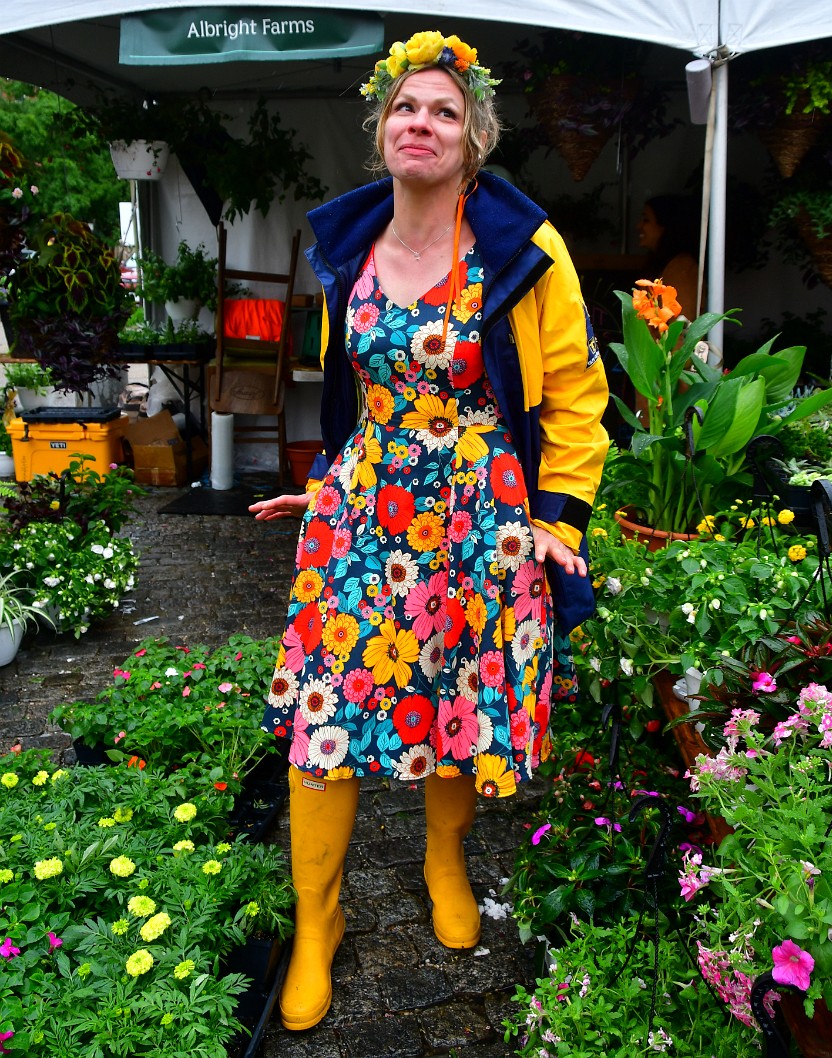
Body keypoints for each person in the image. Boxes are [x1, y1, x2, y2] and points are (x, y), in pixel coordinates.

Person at [249, 29, 609, 1032]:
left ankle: (443, 856)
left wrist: (561, 517)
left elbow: (579, 390)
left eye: (445, 111)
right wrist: (323, 485)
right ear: (381, 130)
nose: (423, 121)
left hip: (479, 514)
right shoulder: (350, 245)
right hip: (365, 515)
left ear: (474, 138)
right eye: (406, 107)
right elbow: (352, 400)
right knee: (327, 705)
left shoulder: (522, 251)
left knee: (452, 690)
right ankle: (316, 921)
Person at [636, 194, 702, 321]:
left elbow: (681, 328)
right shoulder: (664, 263)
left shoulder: (682, 269)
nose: (639, 226)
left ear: (666, 225)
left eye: (646, 220)